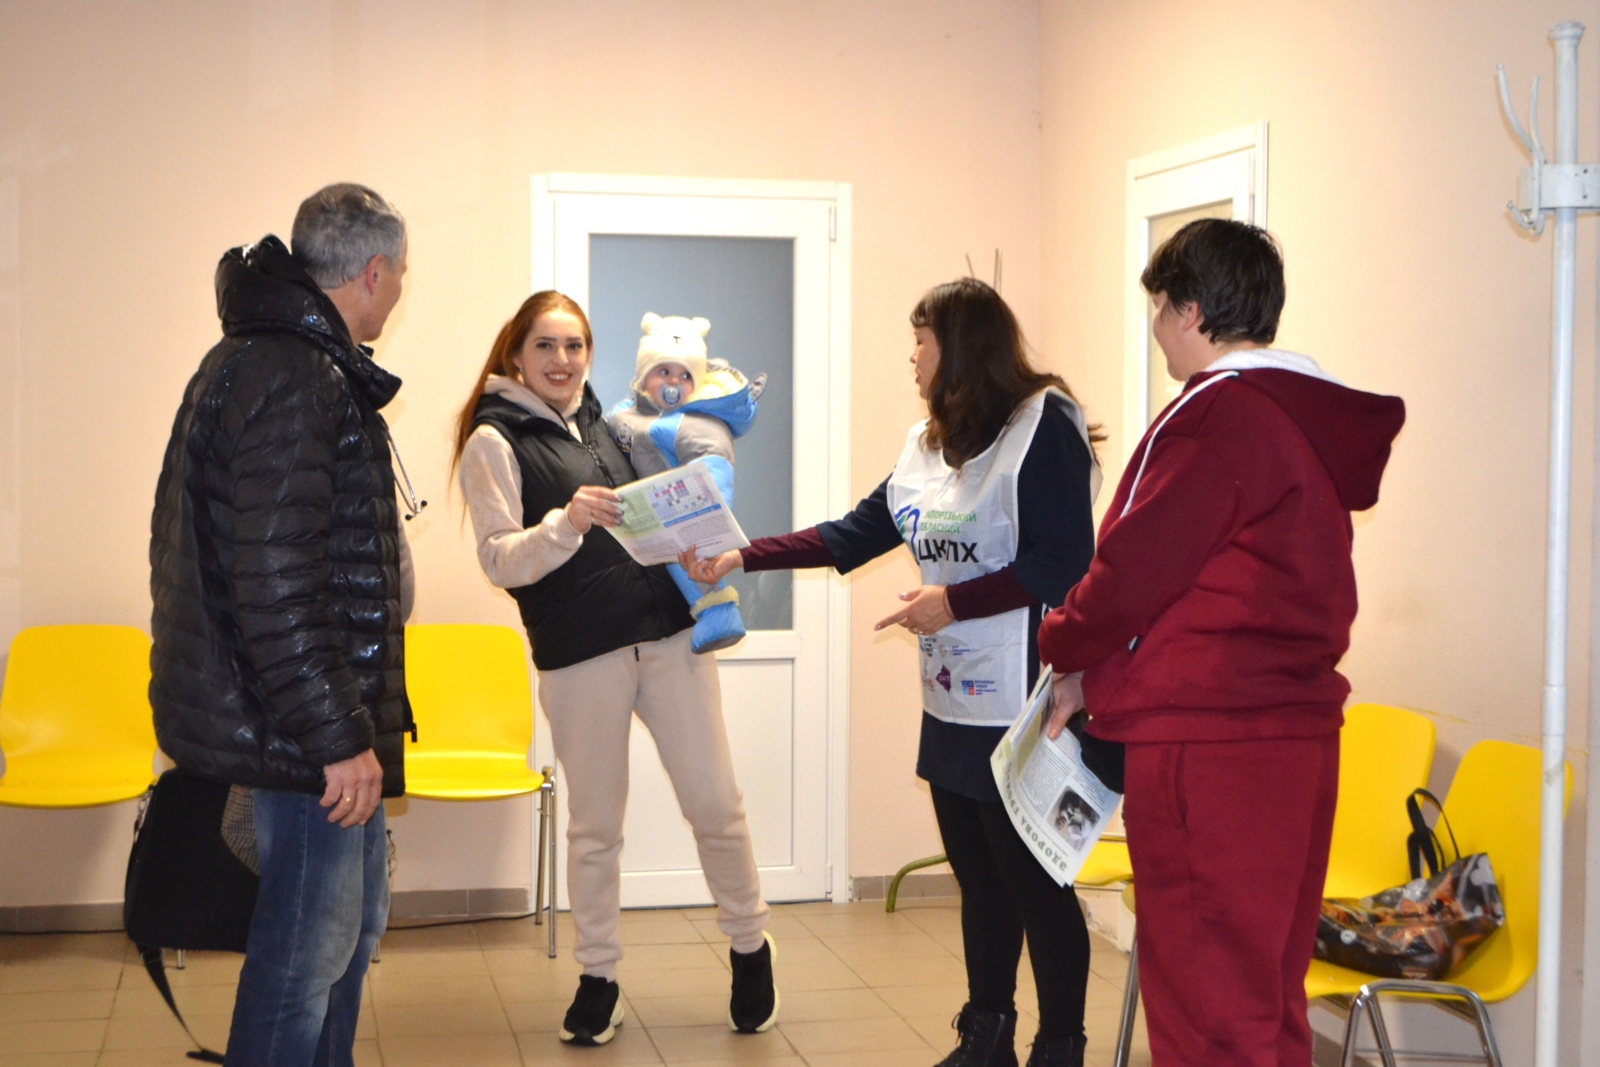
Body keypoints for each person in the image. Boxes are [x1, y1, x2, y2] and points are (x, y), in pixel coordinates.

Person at [683, 278, 1101, 1067]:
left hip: (1027, 702)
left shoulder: (1043, 426)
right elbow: (852, 534)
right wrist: (743, 553)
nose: (912, 357)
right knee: (979, 878)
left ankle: (1061, 1046)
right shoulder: (928, 443)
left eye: (922, 340)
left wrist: (953, 601)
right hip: (951, 704)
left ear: (961, 348)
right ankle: (987, 1035)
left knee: (1036, 882)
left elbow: (1063, 560)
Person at [1036, 218, 1406, 1067]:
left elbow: (1133, 571)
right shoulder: (1302, 418)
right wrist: (1097, 678)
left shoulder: (1219, 418)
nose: (1157, 327)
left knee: (1207, 1008)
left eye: (1160, 308)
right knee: (1265, 996)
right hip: (1296, 735)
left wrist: (1063, 644)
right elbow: (1217, 589)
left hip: (1211, 746)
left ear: (1191, 312)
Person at [452, 291, 776, 1046]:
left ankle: (750, 946)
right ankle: (598, 976)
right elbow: (500, 560)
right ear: (515, 354)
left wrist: (693, 536)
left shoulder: (610, 422)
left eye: (574, 346)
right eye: (545, 345)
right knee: (595, 829)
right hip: (579, 657)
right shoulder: (492, 440)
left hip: (668, 639)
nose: (562, 360)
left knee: (716, 805)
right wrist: (564, 524)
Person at [149, 183, 414, 1067]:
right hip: (299, 734)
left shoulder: (263, 358)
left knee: (348, 932)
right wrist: (336, 737)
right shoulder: (296, 374)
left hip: (300, 716)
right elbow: (275, 579)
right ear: (371, 273)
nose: (398, 291)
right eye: (400, 275)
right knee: (305, 954)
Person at [606, 312, 765, 653]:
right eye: (664, 371)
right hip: (641, 520)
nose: (674, 383)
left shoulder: (695, 420)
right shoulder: (626, 413)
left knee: (693, 565)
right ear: (644, 377)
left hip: (682, 515)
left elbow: (714, 461)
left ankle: (720, 615)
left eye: (685, 375)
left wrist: (707, 514)